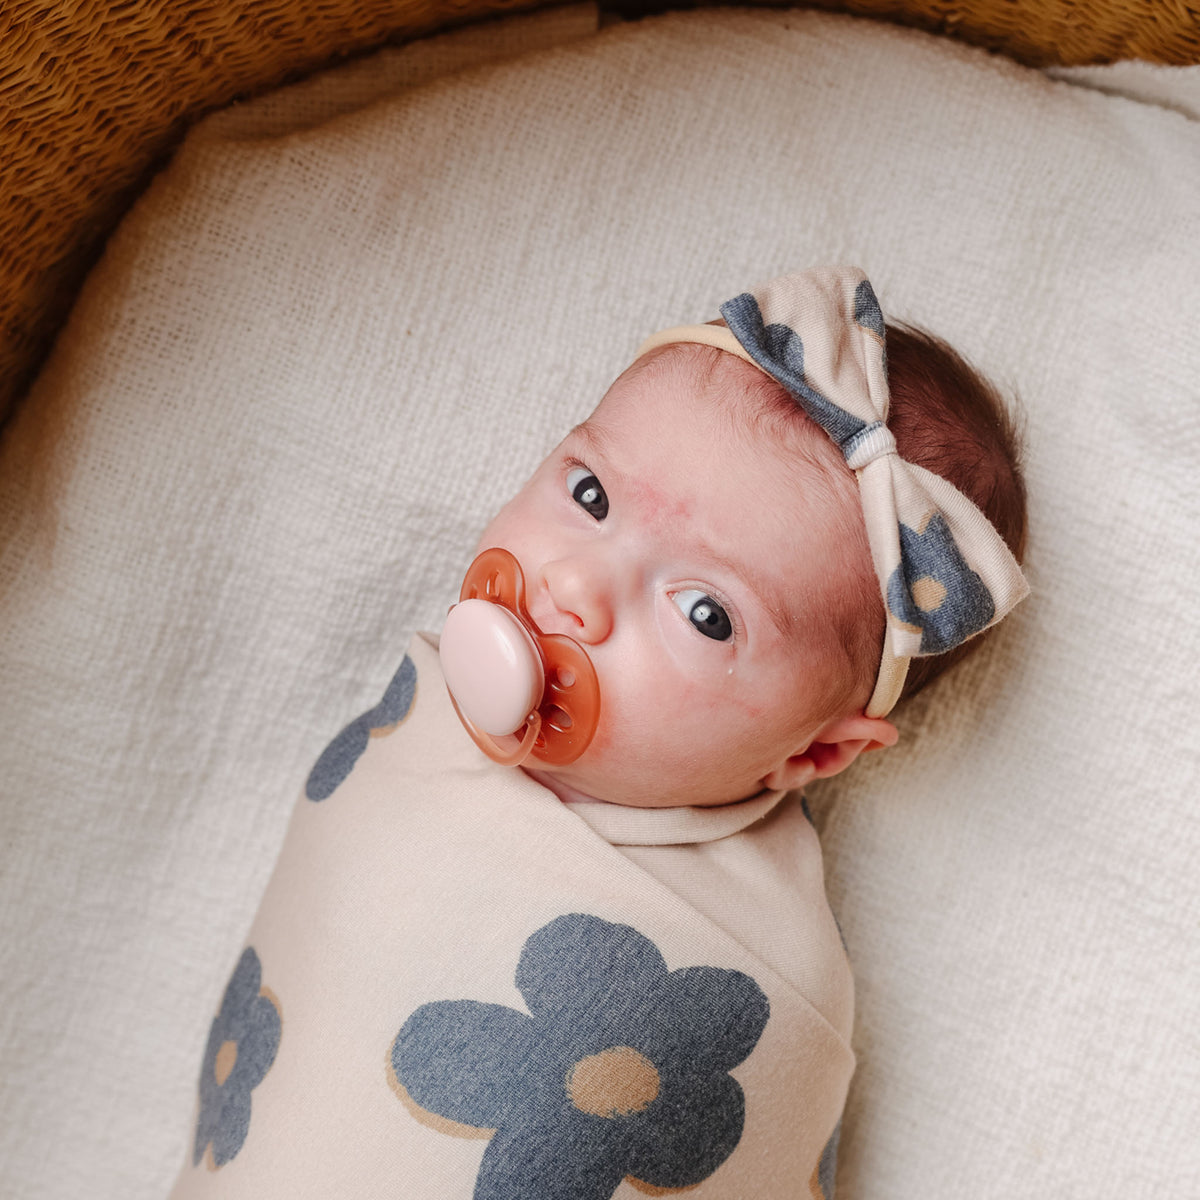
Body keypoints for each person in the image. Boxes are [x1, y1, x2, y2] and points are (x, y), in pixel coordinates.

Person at [171, 267, 1028, 1199]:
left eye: (706, 614)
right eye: (589, 497)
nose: (575, 588)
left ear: (813, 754)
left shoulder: (750, 979)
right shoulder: (413, 730)